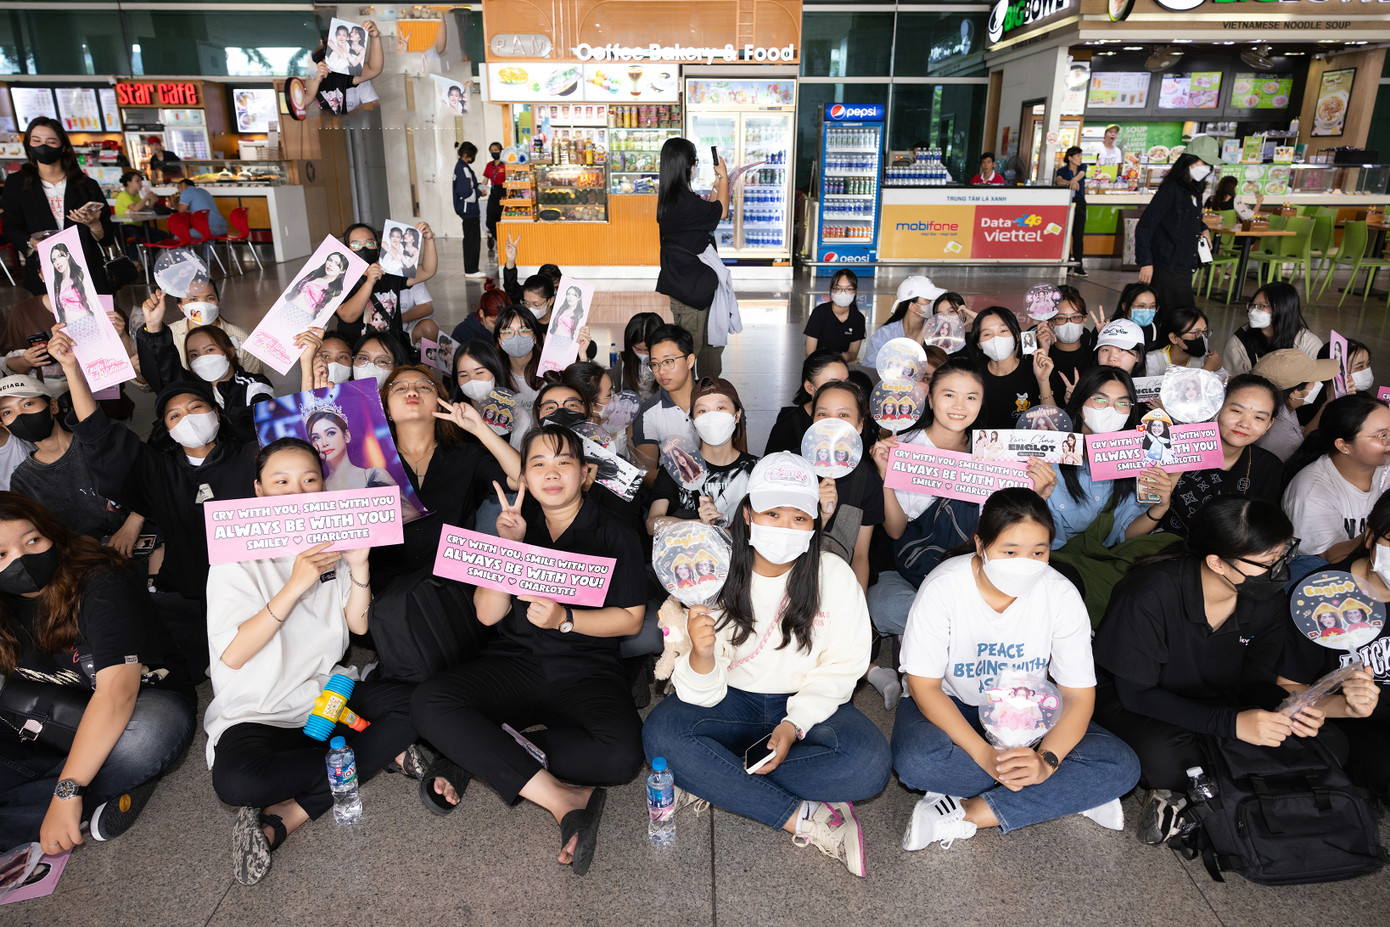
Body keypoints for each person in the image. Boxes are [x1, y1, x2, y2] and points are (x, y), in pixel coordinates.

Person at [411, 424, 648, 876]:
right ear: (524, 477)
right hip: (516, 662)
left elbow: (631, 619)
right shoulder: (516, 526)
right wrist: (508, 548)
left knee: (621, 757)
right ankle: (563, 799)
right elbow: (486, 616)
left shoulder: (614, 532)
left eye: (564, 462)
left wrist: (566, 619)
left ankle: (474, 753)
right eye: (538, 464)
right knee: (429, 702)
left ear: (586, 473)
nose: (551, 473)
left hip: (585, 668)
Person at [642, 452, 891, 877]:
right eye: (772, 514)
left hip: (807, 703)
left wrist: (794, 725)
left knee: (869, 765)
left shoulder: (833, 574)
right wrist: (701, 655)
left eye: (799, 518)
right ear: (748, 514)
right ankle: (804, 818)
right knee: (661, 735)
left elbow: (843, 667)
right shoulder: (714, 572)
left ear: (814, 523)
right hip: (730, 700)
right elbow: (699, 693)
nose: (784, 527)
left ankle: (714, 776)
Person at [204, 439, 419, 884]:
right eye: (281, 482)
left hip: (326, 698)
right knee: (237, 783)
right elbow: (236, 653)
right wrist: (296, 583)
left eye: (309, 480)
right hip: (258, 709)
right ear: (259, 489)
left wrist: (359, 566)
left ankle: (292, 811)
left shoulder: (331, 542)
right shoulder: (235, 554)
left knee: (420, 704)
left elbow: (358, 626)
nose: (297, 493)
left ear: (323, 486)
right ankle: (372, 751)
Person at [892, 488, 1140, 851]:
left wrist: (1047, 761)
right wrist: (985, 756)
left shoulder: (1060, 594)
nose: (1025, 563)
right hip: (952, 706)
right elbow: (924, 687)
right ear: (981, 544)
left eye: (1038, 552)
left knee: (1122, 765)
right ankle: (1071, 793)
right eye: (1010, 552)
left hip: (1027, 714)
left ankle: (967, 812)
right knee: (917, 761)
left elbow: (1077, 694)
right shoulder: (944, 587)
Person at [1092, 498, 1330, 844]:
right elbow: (1137, 694)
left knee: (1327, 742)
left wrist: (1287, 709)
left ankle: (1199, 790)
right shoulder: (1149, 592)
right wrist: (1232, 724)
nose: (1278, 570)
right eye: (1268, 562)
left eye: (1282, 557)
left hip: (1215, 700)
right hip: (1137, 702)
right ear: (1217, 562)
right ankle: (1229, 784)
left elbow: (1254, 680)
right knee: (1161, 754)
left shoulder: (1266, 600)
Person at [50, 323, 257, 677]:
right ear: (168, 429)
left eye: (196, 407)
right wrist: (71, 369)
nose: (186, 418)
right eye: (174, 415)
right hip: (193, 593)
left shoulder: (253, 457)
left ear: (216, 413)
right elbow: (101, 435)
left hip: (258, 585)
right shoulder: (161, 471)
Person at [0, 491, 195, 857]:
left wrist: (67, 792)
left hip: (135, 705)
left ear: (52, 533)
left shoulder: (101, 582)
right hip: (49, 722)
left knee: (149, 736)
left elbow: (117, 694)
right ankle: (106, 789)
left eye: (33, 540)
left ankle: (63, 799)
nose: (21, 559)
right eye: (1, 555)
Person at [1278, 491, 1390, 801]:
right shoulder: (1320, 596)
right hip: (1355, 726)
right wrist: (1347, 707)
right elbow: (1287, 687)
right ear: (1370, 536)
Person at [1, 376, 140, 548]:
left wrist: (135, 520)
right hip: (87, 557)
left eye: (28, 404)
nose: (20, 415)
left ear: (53, 406)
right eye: (7, 412)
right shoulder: (22, 481)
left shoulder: (95, 441)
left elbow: (150, 476)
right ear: (5, 427)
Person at [1145, 375, 1282, 538]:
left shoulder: (1269, 466)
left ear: (1269, 424)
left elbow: (1262, 528)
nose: (1244, 424)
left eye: (1259, 418)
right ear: (1216, 408)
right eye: (1237, 411)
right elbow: (1141, 515)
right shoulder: (1170, 449)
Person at [1048, 366, 1165, 549]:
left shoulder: (1137, 459)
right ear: (1079, 405)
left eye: (1122, 403)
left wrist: (1160, 507)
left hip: (1105, 559)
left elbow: (1125, 534)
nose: (1111, 409)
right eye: (1100, 400)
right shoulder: (1051, 455)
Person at [2, 117, 118, 296]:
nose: (43, 146)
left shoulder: (86, 186)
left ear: (63, 146)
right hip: (45, 273)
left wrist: (95, 225)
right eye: (36, 141)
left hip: (90, 273)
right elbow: (11, 227)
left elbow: (107, 237)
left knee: (102, 315)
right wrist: (31, 242)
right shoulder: (17, 184)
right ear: (29, 146)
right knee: (50, 315)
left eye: (51, 141)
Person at [1282, 393, 1390, 562]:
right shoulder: (1311, 493)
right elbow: (1330, 558)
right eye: (1382, 435)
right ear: (1343, 445)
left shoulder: (1383, 465)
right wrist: (1382, 528)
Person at [656, 137, 730, 377]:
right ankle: (690, 396)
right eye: (695, 160)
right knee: (690, 354)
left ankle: (706, 392)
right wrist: (724, 177)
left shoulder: (674, 198)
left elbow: (709, 212)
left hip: (691, 286)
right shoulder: (684, 203)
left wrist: (717, 183)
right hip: (691, 291)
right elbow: (721, 211)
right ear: (685, 165)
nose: (696, 165)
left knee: (707, 347)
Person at [647, 377, 756, 533]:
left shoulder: (757, 469)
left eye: (721, 408)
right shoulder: (677, 468)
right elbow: (652, 525)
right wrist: (700, 523)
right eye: (702, 411)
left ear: (737, 416)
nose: (711, 417)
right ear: (693, 421)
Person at [138, 297, 273, 415]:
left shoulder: (254, 386)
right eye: (194, 354)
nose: (203, 358)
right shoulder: (191, 387)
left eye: (209, 350)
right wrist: (153, 328)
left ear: (230, 352)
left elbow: (267, 423)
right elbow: (165, 371)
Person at [1135, 136, 1220, 312]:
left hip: (1185, 265)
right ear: (1190, 160)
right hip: (1167, 266)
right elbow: (1145, 226)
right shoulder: (1171, 189)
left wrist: (1204, 229)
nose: (1207, 168)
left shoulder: (1195, 191)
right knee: (1181, 316)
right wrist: (1146, 263)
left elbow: (1193, 219)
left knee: (1177, 316)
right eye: (1204, 162)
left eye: (1210, 165)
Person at [335, 223, 440, 352]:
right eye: (355, 244)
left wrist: (429, 239)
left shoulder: (390, 272)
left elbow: (427, 270)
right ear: (347, 250)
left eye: (369, 243)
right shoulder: (340, 279)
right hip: (356, 352)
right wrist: (369, 282)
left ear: (378, 248)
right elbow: (348, 316)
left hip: (391, 350)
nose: (363, 248)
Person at [142, 281, 265, 377]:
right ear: (181, 306)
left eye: (210, 298)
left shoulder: (241, 338)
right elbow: (150, 383)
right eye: (193, 299)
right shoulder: (168, 336)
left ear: (218, 301)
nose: (203, 305)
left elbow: (255, 381)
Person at [632, 324, 700, 482]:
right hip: (669, 492)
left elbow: (739, 456)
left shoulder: (719, 400)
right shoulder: (648, 413)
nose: (661, 371)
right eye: (655, 364)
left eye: (668, 361)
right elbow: (647, 474)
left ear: (689, 361)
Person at [971, 306, 1055, 430]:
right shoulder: (972, 376)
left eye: (1003, 330)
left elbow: (1053, 424)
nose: (996, 338)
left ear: (1017, 336)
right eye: (987, 334)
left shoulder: (1036, 369)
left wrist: (1043, 381)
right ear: (979, 344)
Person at [1252, 349, 1339, 462]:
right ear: (1294, 392)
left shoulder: (1281, 407)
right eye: (1314, 380)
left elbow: (1300, 434)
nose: (1319, 383)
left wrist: (1328, 402)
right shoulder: (1286, 437)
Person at [1222, 282, 1323, 376]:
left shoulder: (1308, 345)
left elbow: (1317, 383)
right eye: (1252, 305)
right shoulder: (1239, 343)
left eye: (1262, 306)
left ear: (1283, 309)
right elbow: (1230, 381)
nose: (1253, 311)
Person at [764, 351, 850, 456]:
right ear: (810, 388)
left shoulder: (854, 419)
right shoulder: (787, 428)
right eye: (833, 384)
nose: (844, 390)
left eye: (847, 383)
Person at [862, 275, 946, 369]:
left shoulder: (937, 331)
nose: (934, 304)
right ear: (912, 306)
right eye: (928, 300)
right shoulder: (885, 335)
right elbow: (871, 370)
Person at [493, 305, 547, 446]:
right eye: (507, 331)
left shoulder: (549, 371)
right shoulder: (493, 376)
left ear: (534, 337)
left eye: (523, 330)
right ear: (499, 340)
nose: (516, 337)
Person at [305, 21, 382, 117]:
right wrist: (315, 80)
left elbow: (373, 69)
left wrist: (375, 38)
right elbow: (302, 102)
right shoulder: (311, 73)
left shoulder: (342, 70)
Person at [1043, 286, 1096, 396]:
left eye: (1075, 317)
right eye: (1061, 318)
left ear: (1085, 320)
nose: (1069, 323)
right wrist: (1044, 350)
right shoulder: (1043, 357)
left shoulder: (1094, 357)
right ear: (1051, 323)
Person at [803, 270, 865, 363]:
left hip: (843, 363)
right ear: (831, 290)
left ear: (855, 291)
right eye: (838, 288)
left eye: (848, 289)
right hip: (819, 362)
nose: (843, 293)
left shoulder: (858, 318)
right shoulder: (819, 313)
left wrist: (844, 357)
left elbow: (853, 353)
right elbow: (809, 353)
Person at [1145, 305, 1224, 375]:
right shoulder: (1152, 361)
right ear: (1174, 338)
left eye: (1205, 332)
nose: (1202, 337)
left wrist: (1217, 368)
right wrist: (1207, 370)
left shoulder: (1204, 358)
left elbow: (1225, 381)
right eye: (1196, 332)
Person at [608, 311, 662, 399]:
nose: (643, 354)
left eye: (647, 350)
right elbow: (614, 392)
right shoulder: (623, 363)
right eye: (638, 349)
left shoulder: (668, 365)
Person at [452, 142, 484, 278]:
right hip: (468, 211)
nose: (472, 158)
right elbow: (466, 193)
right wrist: (480, 192)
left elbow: (471, 185)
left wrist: (480, 187)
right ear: (467, 154)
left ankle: (472, 269)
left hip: (470, 211)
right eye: (472, 155)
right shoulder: (462, 169)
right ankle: (471, 270)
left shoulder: (462, 167)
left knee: (472, 239)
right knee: (472, 241)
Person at [1055, 147, 1088, 276]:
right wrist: (1070, 182)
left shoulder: (1082, 167)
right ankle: (1067, 263)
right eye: (1077, 156)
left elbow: (1081, 175)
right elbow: (1059, 181)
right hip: (1066, 202)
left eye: (1081, 156)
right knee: (1066, 234)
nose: (1080, 158)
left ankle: (1079, 265)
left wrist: (1073, 181)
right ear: (1070, 158)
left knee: (1078, 235)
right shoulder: (1062, 170)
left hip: (1079, 203)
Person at [1111, 282, 1162, 352]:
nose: (1147, 311)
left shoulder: (1153, 329)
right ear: (1125, 306)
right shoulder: (1111, 329)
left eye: (1152, 306)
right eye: (1141, 306)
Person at [483, 141, 505, 251]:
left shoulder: (505, 164)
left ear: (501, 151)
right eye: (492, 151)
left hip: (504, 193)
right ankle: (499, 240)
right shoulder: (489, 165)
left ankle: (503, 242)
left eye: (496, 150)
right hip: (493, 193)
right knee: (490, 221)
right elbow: (485, 181)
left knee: (502, 220)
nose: (494, 152)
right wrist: (481, 191)